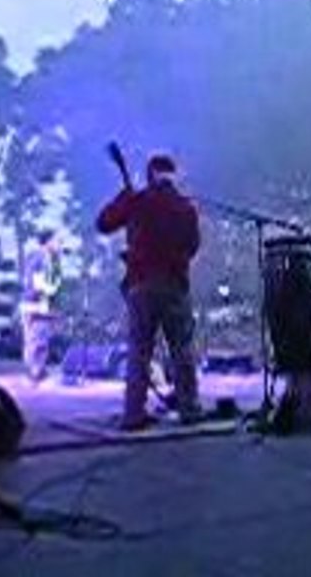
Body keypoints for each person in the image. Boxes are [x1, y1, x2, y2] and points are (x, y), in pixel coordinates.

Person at [97, 153, 202, 429]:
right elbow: (192, 246)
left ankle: (134, 414)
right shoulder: (186, 207)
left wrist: (125, 197)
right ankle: (189, 409)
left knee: (140, 351)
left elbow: (103, 223)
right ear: (173, 175)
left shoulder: (138, 201)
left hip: (142, 284)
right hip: (175, 285)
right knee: (182, 349)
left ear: (150, 174)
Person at [20, 230, 62, 383]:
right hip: (35, 304)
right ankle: (34, 372)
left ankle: (37, 372)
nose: (59, 244)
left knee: (42, 339)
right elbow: (36, 284)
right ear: (48, 241)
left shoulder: (51, 258)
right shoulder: (38, 257)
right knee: (36, 340)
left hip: (41, 304)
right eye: (57, 240)